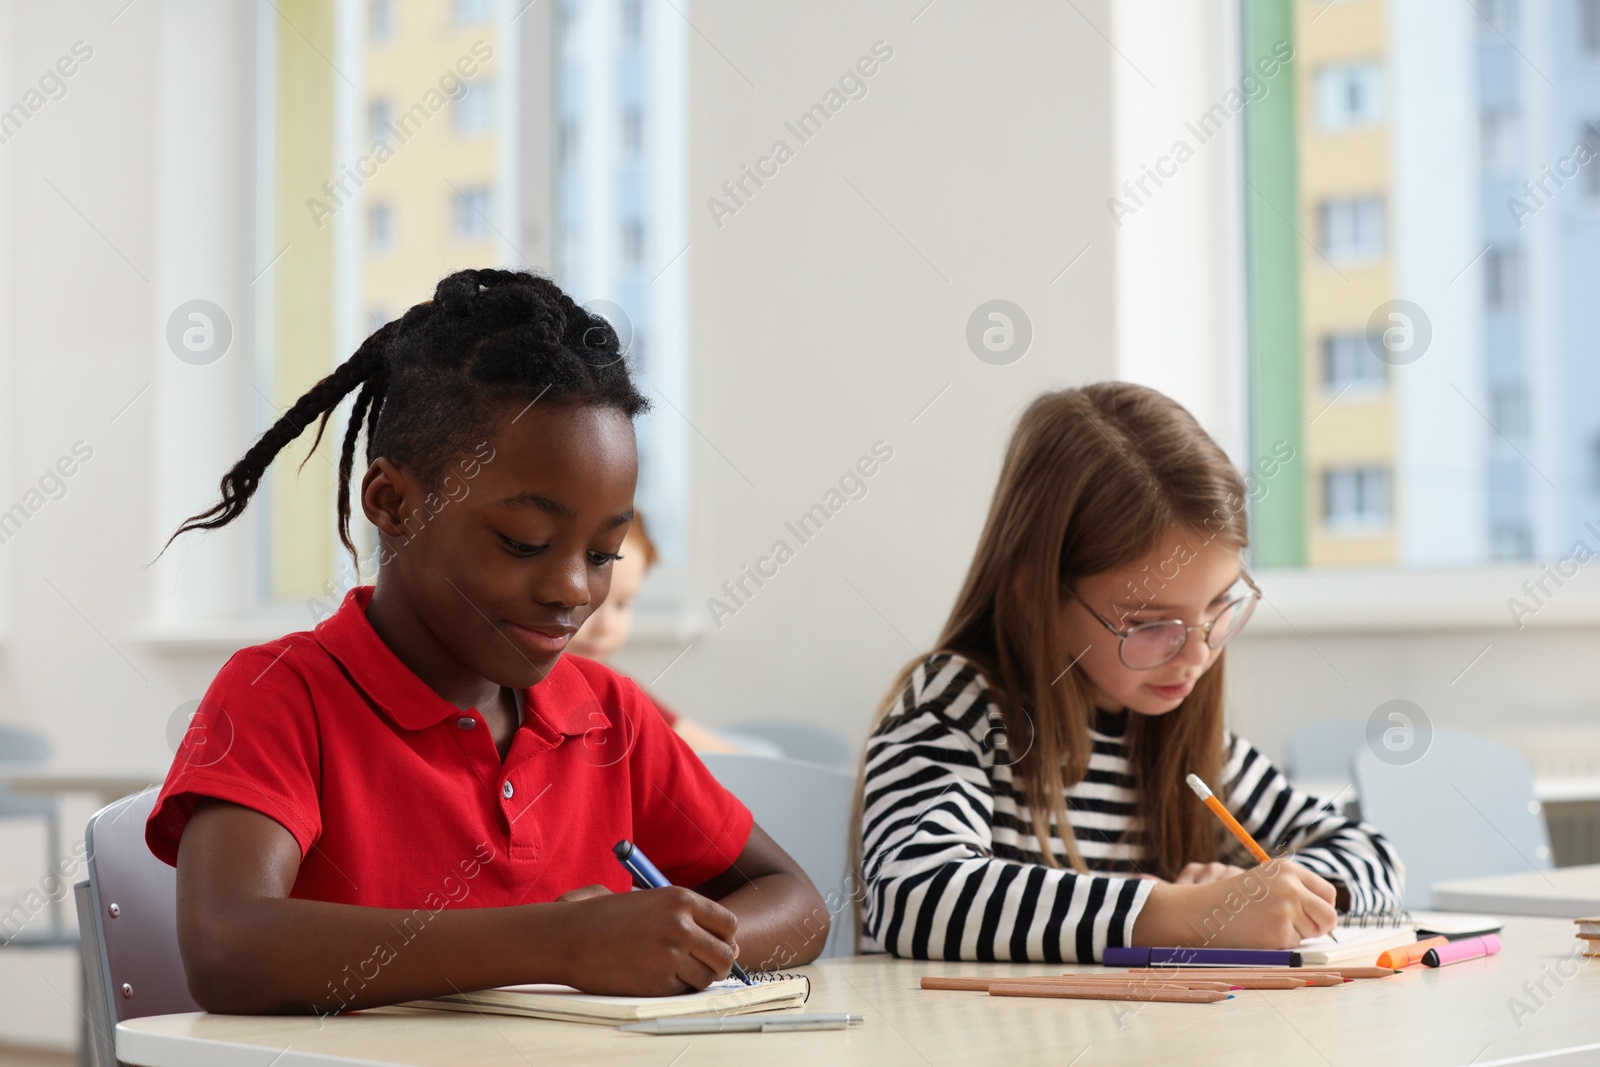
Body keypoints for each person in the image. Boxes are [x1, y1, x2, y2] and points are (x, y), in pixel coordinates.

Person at [147, 269, 826, 1015]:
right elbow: (228, 947)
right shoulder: (283, 692)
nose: (573, 588)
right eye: (523, 540)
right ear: (392, 502)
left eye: (603, 553)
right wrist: (559, 944)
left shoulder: (609, 716)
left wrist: (676, 944)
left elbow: (798, 904)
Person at [856, 382, 1403, 961]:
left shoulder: (1188, 742)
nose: (1195, 655)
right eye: (1149, 624)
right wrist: (1183, 913)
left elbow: (1371, 855)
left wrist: (1289, 896)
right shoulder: (955, 706)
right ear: (1035, 594)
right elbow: (914, 894)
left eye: (1219, 607)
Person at [566, 512, 740, 753]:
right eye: (588, 601)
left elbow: (685, 737)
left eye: (622, 604)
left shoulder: (612, 683)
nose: (605, 625)